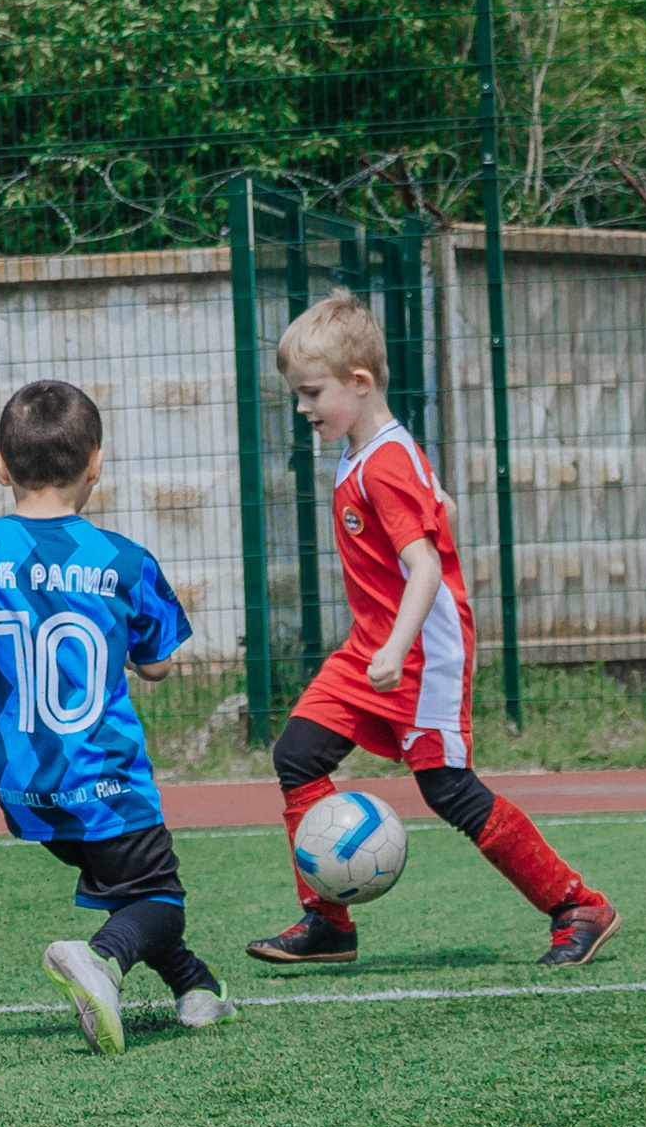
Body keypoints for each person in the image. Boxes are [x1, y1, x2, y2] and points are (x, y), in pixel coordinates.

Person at [0, 379, 235, 1054]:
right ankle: (102, 959)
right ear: (97, 464)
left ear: (0, 465)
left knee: (128, 883)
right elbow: (159, 662)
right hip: (106, 777)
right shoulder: (123, 560)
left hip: (27, 791)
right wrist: (141, 652)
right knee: (159, 897)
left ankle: (196, 984)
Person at [246, 292, 620, 970]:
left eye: (311, 392)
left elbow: (422, 568)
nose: (302, 407)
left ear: (359, 383)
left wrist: (395, 645)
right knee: (298, 755)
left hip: (420, 654)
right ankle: (327, 922)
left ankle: (577, 904)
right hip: (373, 646)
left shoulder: (384, 461)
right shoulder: (373, 446)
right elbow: (431, 506)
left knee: (447, 788)